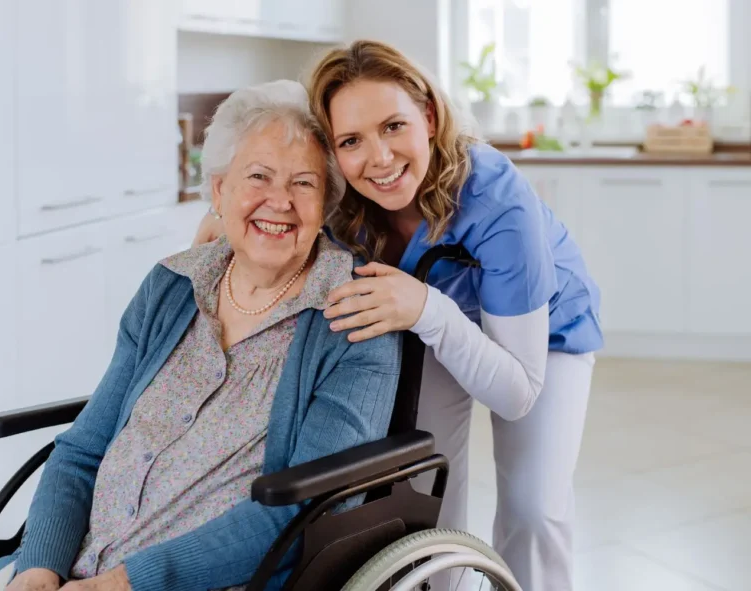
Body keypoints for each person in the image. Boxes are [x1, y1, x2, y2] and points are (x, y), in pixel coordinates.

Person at [195, 40, 603, 591]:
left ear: (429, 116)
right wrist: (221, 225)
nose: (379, 159)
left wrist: (429, 308)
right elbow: (270, 204)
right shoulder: (341, 196)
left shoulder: (498, 203)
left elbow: (516, 392)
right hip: (422, 318)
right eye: (351, 141)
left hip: (543, 335)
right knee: (427, 483)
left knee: (534, 508)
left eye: (393, 126)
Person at [0, 80, 401, 591]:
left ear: (326, 206)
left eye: (304, 184)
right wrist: (38, 569)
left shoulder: (355, 316)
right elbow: (82, 453)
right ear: (220, 191)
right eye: (258, 176)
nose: (279, 201)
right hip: (75, 569)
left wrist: (122, 583)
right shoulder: (173, 284)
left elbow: (306, 508)